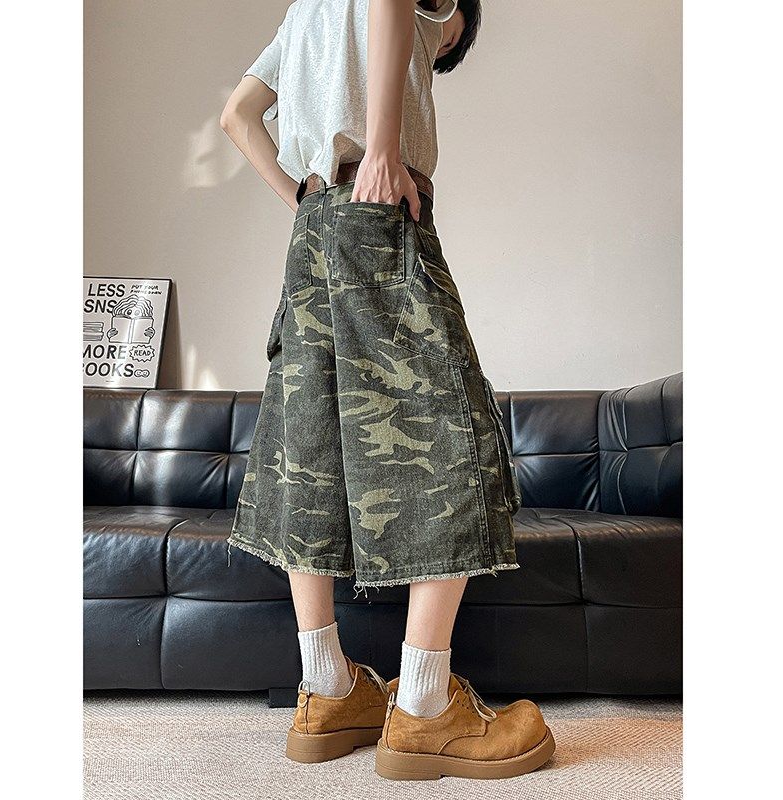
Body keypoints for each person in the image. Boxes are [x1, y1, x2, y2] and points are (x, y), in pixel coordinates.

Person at [220, 0, 554, 781]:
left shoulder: (303, 14)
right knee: (454, 438)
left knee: (311, 451)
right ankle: (427, 707)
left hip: (314, 225)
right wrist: (380, 148)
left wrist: (302, 199)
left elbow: (237, 115)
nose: (431, 56)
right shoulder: (437, 11)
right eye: (443, 46)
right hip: (377, 213)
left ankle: (328, 689)